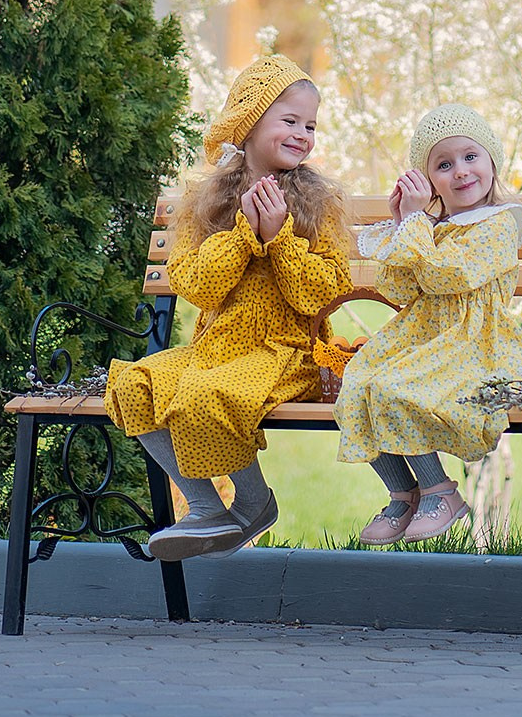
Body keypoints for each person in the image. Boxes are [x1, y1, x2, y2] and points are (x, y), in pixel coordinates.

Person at [106, 53, 353, 560]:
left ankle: (254, 501)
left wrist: (280, 238)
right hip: (219, 347)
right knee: (134, 383)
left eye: (310, 125)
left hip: (289, 351)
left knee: (209, 391)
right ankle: (207, 509)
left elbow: (325, 294)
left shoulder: (319, 200)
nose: (303, 134)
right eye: (289, 121)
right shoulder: (211, 198)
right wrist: (242, 237)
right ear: (249, 123)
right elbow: (198, 286)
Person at [335, 102, 522, 544]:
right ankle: (404, 493)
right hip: (425, 336)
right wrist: (408, 221)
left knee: (395, 388)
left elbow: (449, 276)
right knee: (359, 380)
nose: (461, 171)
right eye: (444, 164)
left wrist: (418, 225)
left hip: (474, 342)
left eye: (470, 156)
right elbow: (404, 290)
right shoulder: (432, 226)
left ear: (492, 160)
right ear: (428, 180)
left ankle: (441, 491)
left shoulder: (499, 223)